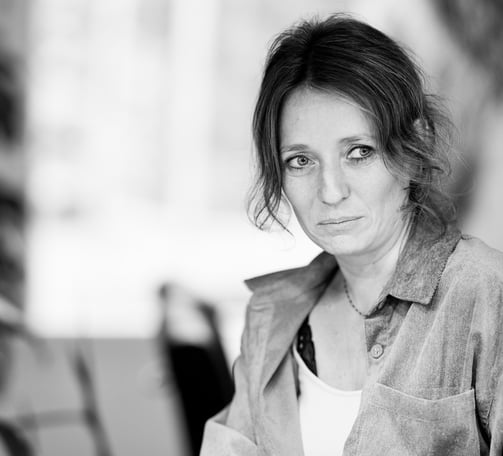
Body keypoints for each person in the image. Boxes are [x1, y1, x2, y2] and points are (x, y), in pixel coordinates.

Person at [200, 14, 503, 456]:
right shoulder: (271, 317)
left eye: (359, 152)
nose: (331, 191)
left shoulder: (486, 295)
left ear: (413, 150)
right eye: (300, 160)